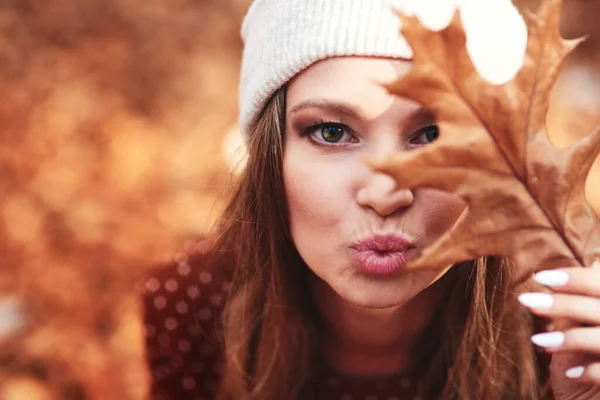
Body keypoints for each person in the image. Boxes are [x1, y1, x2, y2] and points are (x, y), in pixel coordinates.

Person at [143, 0, 600, 399]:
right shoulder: (196, 305)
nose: (385, 195)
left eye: (433, 135)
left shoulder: (562, 329)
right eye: (332, 132)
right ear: (270, 157)